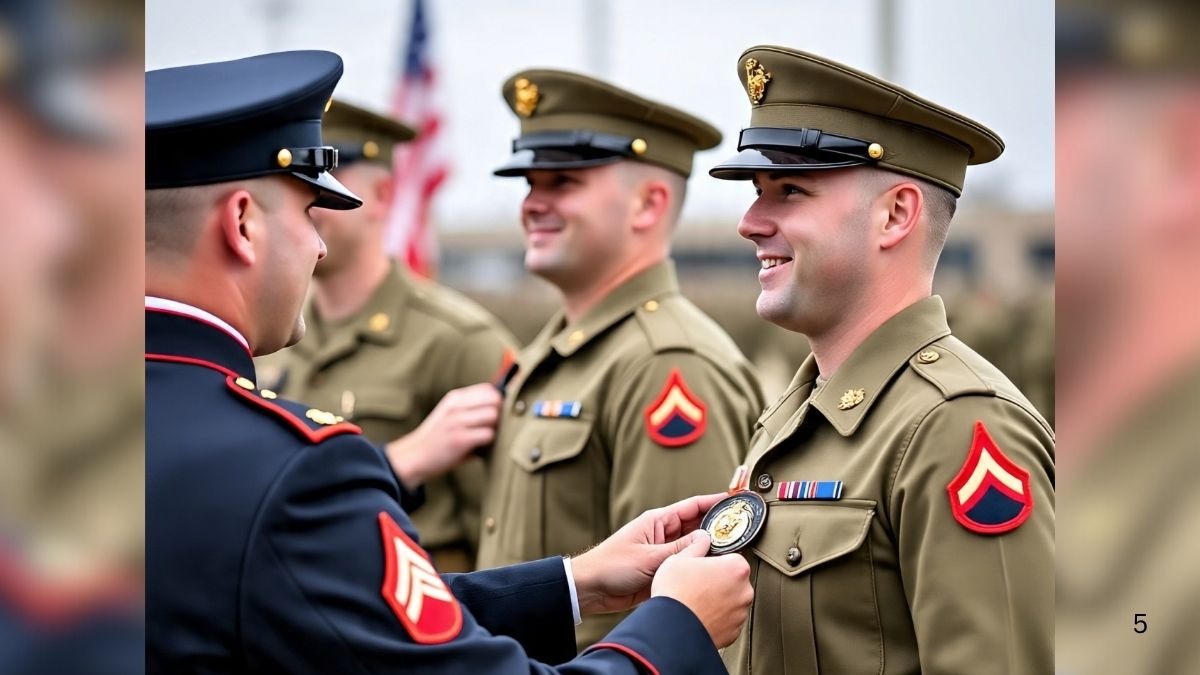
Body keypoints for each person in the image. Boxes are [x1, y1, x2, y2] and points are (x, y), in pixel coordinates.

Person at [146, 49, 752, 674]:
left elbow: (333, 609)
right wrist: (678, 628)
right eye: (307, 209)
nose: (318, 243)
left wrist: (573, 585)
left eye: (564, 182)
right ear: (242, 223)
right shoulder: (298, 470)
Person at [706, 46, 1055, 673]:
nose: (750, 222)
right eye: (757, 193)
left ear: (894, 215)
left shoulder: (957, 426)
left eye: (790, 191)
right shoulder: (794, 415)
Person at [479, 68, 765, 648]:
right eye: (530, 183)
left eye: (563, 181)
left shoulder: (667, 364)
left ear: (648, 204)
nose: (533, 204)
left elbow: (684, 623)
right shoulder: (551, 355)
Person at [255, 99, 515, 572]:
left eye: (328, 175)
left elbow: (502, 531)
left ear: (384, 195)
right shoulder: (265, 337)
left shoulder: (458, 340)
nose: (310, 194)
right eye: (297, 178)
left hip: (419, 603)